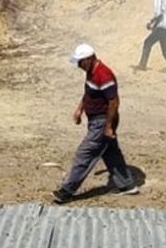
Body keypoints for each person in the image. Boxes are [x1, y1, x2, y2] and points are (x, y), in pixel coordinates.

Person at [52, 43, 139, 204]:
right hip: (96, 120)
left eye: (80, 61)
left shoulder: (103, 75)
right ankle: (127, 185)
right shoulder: (91, 72)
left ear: (90, 58)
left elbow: (114, 102)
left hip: (103, 120)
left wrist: (108, 126)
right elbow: (89, 93)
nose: (78, 65)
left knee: (85, 154)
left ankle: (67, 190)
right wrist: (80, 109)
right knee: (110, 152)